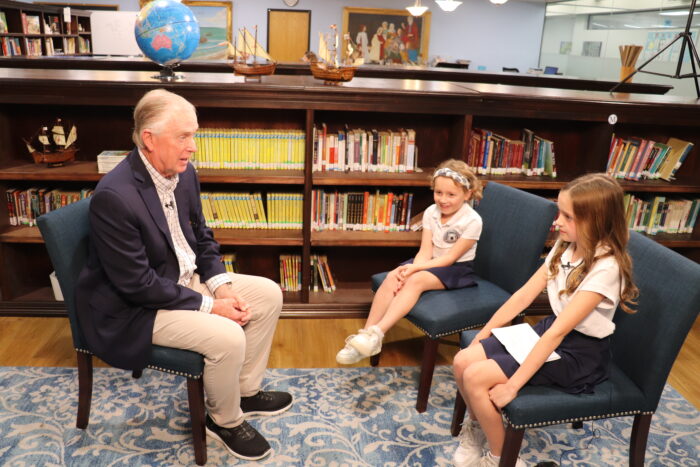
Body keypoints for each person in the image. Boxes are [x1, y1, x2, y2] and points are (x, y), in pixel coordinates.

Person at [75, 89, 292, 461]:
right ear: (149, 139)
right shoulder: (115, 196)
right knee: (227, 336)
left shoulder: (184, 173)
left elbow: (202, 238)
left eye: (194, 135)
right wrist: (210, 306)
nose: (193, 147)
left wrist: (220, 286)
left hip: (176, 279)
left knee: (269, 294)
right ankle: (224, 420)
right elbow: (137, 285)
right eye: (183, 137)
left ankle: (244, 389)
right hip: (133, 308)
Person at [451, 173, 638, 467]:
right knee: (462, 360)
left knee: (475, 377)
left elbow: (559, 335)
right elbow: (523, 296)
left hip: (578, 353)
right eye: (559, 212)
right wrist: (486, 332)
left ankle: (502, 459)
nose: (557, 222)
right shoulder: (565, 244)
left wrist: (512, 386)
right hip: (553, 333)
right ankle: (477, 430)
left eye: (568, 216)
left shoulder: (607, 268)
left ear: (595, 221)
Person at [336, 159, 483, 364]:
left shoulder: (473, 221)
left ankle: (378, 332)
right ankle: (365, 337)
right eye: (438, 192)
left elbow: (450, 258)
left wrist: (415, 269)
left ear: (467, 194)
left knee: (415, 280)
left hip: (456, 269)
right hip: (429, 261)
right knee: (394, 275)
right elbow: (425, 250)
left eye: (451, 194)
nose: (443, 199)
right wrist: (410, 267)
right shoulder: (431, 212)